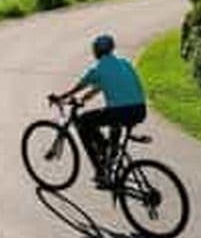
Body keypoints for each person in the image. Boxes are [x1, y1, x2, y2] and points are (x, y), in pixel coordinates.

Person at [50, 31, 146, 187]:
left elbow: (79, 86)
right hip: (139, 110)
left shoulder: (98, 68)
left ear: (96, 51)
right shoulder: (124, 63)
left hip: (120, 111)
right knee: (114, 120)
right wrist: (85, 99)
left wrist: (61, 97)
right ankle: (111, 155)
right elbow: (100, 86)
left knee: (83, 122)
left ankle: (101, 171)